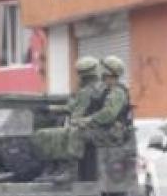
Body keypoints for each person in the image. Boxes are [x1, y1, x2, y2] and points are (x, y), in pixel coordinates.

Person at [32, 55, 131, 183]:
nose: (100, 72)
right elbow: (74, 105)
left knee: (77, 133)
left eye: (103, 69)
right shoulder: (106, 89)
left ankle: (72, 172)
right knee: (64, 132)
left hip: (112, 133)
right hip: (104, 130)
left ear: (108, 72)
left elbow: (108, 114)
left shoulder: (117, 92)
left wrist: (86, 121)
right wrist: (49, 109)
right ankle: (55, 168)